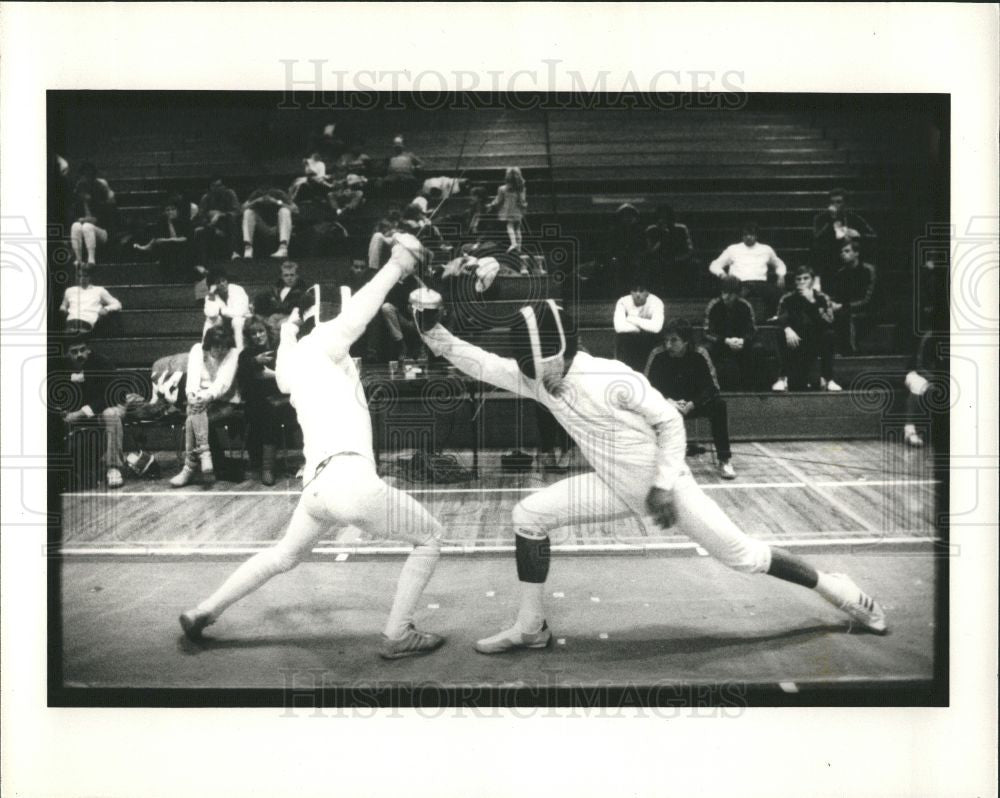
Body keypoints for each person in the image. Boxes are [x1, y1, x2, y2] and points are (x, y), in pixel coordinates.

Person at [416, 295, 887, 653]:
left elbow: (670, 423)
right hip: (611, 486)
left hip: (667, 487)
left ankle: (838, 589)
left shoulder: (613, 376)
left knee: (742, 556)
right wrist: (430, 324)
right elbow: (474, 359)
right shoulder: (540, 381)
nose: (542, 379)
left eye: (545, 367)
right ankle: (531, 626)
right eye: (533, 371)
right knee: (529, 516)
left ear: (563, 349)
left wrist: (663, 486)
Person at [178, 233, 447, 660]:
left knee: (283, 555)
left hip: (317, 491)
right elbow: (359, 313)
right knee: (431, 536)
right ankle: (398, 633)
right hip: (351, 482)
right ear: (329, 316)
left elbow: (291, 356)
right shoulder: (325, 342)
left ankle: (204, 610)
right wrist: (397, 264)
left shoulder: (295, 361)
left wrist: (288, 328)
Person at [645, 319, 736, 479]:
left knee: (719, 405)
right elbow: (645, 387)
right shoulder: (657, 355)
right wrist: (668, 401)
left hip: (692, 404)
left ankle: (724, 460)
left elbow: (713, 387)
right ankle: (659, 462)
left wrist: (693, 404)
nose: (668, 345)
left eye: (674, 340)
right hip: (665, 405)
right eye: (666, 340)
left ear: (686, 341)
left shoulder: (700, 354)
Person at [51, 331, 127, 488]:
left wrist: (80, 413)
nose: (79, 354)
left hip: (105, 407)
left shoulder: (102, 362)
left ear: (88, 349)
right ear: (66, 354)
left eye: (82, 349)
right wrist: (61, 411)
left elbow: (110, 395)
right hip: (75, 412)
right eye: (74, 352)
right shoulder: (57, 367)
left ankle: (113, 467)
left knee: (111, 415)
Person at [170, 326, 241, 487]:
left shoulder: (233, 353)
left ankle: (189, 468)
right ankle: (204, 454)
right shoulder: (197, 350)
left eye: (224, 346)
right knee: (195, 414)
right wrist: (191, 397)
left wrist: (203, 398)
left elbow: (223, 384)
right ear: (209, 344)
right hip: (198, 401)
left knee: (191, 419)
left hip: (225, 401)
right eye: (217, 346)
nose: (221, 350)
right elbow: (192, 380)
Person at [238, 316, 293, 485]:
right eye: (253, 333)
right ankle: (265, 466)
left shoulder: (279, 351)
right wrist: (255, 362)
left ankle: (267, 468)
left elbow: (289, 378)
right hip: (256, 402)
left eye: (261, 331)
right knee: (263, 410)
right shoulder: (246, 355)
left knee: (270, 411)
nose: (258, 336)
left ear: (267, 332)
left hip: (281, 401)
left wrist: (271, 375)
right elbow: (243, 381)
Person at [772, 265, 841, 392]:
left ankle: (829, 379)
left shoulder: (822, 298)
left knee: (830, 334)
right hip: (795, 341)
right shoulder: (787, 298)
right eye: (798, 279)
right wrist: (787, 329)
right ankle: (782, 378)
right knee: (779, 333)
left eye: (806, 278)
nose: (802, 282)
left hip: (815, 340)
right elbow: (780, 318)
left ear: (813, 280)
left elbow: (829, 321)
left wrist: (812, 302)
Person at [702, 274, 767, 390]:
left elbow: (752, 330)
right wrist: (725, 341)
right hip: (721, 344)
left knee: (758, 348)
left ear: (737, 294)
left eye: (730, 294)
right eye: (724, 292)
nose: (726, 297)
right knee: (706, 349)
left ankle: (756, 388)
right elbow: (707, 332)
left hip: (741, 343)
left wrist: (743, 340)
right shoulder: (713, 306)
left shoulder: (745, 306)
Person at [708, 222, 787, 307]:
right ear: (742, 236)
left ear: (756, 236)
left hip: (760, 284)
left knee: (778, 294)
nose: (748, 237)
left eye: (751, 234)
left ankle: (770, 319)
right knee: (732, 298)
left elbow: (779, 263)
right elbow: (714, 265)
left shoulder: (766, 249)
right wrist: (723, 275)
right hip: (739, 284)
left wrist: (781, 275)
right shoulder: (732, 249)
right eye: (745, 234)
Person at [811, 188, 876, 288]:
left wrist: (858, 234)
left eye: (839, 202)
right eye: (832, 202)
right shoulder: (821, 219)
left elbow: (872, 236)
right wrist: (831, 220)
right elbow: (816, 238)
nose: (835, 205)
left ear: (845, 204)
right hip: (829, 259)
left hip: (850, 259)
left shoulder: (854, 218)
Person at [826, 240, 877, 354]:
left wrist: (843, 306)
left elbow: (867, 299)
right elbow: (838, 296)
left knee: (845, 316)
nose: (843, 254)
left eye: (847, 251)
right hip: (846, 308)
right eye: (842, 252)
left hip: (868, 308)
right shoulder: (841, 273)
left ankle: (849, 352)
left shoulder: (868, 270)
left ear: (856, 253)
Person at [132, 194, 195, 277]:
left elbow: (185, 239)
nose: (170, 212)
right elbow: (157, 238)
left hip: (185, 247)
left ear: (178, 210)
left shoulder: (185, 221)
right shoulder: (163, 221)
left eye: (173, 209)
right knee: (165, 248)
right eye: (167, 210)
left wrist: (168, 240)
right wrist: (169, 223)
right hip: (170, 247)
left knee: (172, 247)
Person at [69, 162, 116, 267]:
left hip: (102, 232)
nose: (85, 181)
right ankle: (78, 260)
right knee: (75, 226)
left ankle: (91, 260)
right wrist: (80, 219)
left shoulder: (100, 199)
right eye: (83, 178)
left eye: (88, 177)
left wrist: (84, 220)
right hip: (85, 232)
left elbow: (99, 220)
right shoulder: (77, 203)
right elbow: (74, 218)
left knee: (87, 226)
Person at [613, 280, 665, 373]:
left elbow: (656, 328)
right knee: (622, 338)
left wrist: (632, 319)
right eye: (634, 290)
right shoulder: (623, 301)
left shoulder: (656, 302)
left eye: (641, 291)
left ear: (647, 292)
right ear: (630, 292)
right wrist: (641, 328)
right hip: (629, 344)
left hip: (649, 341)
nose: (637, 294)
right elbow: (619, 327)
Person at [59, 264, 122, 336]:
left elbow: (117, 304)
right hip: (71, 321)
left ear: (90, 277)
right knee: (71, 332)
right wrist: (63, 308)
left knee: (75, 333)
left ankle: (77, 344)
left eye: (85, 276)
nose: (82, 278)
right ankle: (79, 345)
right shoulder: (70, 290)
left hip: (87, 322)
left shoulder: (99, 290)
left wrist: (106, 309)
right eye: (79, 276)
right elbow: (64, 304)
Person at [193, 176, 242, 269]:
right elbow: (201, 217)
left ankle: (234, 251)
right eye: (214, 186)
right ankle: (203, 263)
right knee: (200, 230)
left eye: (219, 185)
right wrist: (212, 226)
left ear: (224, 186)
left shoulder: (230, 194)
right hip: (212, 226)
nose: (217, 188)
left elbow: (237, 212)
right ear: (211, 187)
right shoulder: (206, 198)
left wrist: (220, 214)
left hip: (228, 224)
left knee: (232, 220)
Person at [241, 185, 297, 259]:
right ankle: (248, 248)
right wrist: (256, 201)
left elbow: (295, 209)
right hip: (263, 226)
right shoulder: (257, 194)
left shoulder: (279, 193)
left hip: (277, 227)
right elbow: (242, 209)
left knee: (285, 211)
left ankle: (283, 248)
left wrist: (276, 202)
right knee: (248, 212)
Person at [203, 268, 250, 351]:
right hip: (226, 324)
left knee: (237, 321)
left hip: (244, 321)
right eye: (218, 282)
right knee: (211, 320)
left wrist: (222, 311)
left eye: (223, 280)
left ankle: (240, 352)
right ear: (213, 286)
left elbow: (240, 311)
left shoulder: (237, 289)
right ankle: (205, 349)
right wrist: (211, 294)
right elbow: (211, 314)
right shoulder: (212, 295)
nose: (222, 284)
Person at [487, 166, 528, 253]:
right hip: (518, 210)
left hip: (509, 211)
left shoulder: (502, 189)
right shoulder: (521, 189)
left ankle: (513, 243)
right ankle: (519, 247)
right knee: (517, 228)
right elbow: (523, 200)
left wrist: (491, 204)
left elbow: (498, 200)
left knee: (509, 226)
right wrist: (523, 208)